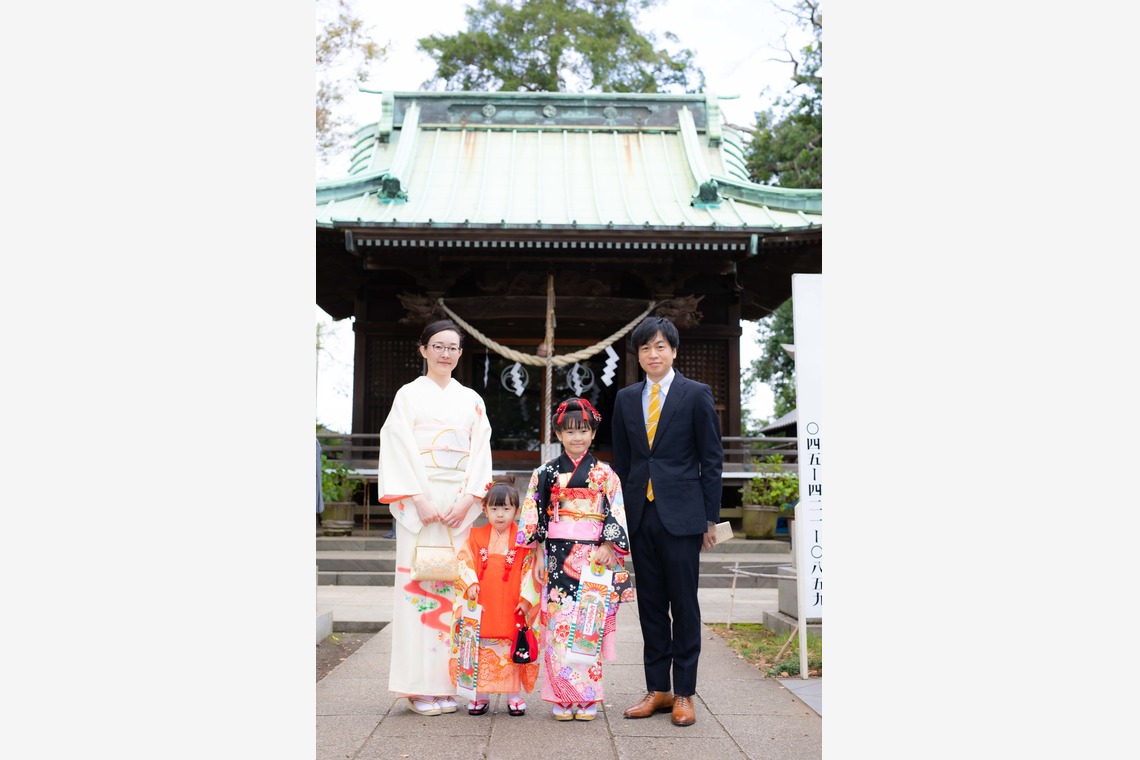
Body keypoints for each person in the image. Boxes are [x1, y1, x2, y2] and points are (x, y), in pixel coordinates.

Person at [376, 319, 493, 717]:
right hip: (422, 505)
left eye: (453, 348)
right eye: (438, 346)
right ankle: (417, 686)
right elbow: (396, 448)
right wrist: (419, 499)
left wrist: (468, 501)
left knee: (458, 592)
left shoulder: (472, 400)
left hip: (456, 507)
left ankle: (448, 683)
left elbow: (481, 455)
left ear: (461, 354)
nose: (446, 354)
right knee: (419, 593)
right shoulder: (407, 396)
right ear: (423, 349)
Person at [610, 316, 723, 727]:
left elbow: (711, 459)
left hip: (683, 515)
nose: (652, 354)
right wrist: (618, 519)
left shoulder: (695, 394)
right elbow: (623, 463)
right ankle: (657, 689)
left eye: (660, 346)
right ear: (637, 355)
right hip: (641, 515)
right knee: (651, 605)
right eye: (645, 348)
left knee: (684, 605)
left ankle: (685, 694)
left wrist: (710, 518)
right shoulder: (625, 398)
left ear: (673, 351)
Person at [518, 397, 634, 721]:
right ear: (558, 434)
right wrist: (538, 552)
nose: (577, 437)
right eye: (569, 431)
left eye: (583, 430)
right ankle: (560, 696)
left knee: (588, 624)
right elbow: (534, 516)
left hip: (593, 557)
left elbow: (617, 511)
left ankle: (586, 696)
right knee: (557, 624)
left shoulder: (605, 475)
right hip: (556, 557)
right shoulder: (545, 473)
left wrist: (610, 546)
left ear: (593, 433)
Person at [450, 477, 539, 716]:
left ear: (517, 511)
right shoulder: (475, 535)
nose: (500, 514)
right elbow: (464, 560)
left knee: (512, 647)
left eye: (507, 508)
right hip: (483, 600)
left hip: (512, 601)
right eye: (494, 508)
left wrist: (526, 598)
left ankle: (514, 695)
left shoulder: (524, 539)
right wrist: (469, 583)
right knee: (480, 645)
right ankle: (479, 695)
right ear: (485, 509)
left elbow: (530, 569)